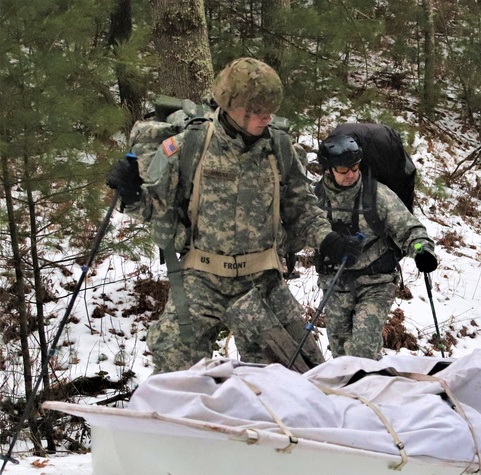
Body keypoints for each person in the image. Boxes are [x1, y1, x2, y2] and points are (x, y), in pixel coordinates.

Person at [105, 57, 362, 373]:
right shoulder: (190, 146)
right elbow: (154, 206)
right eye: (255, 112)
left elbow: (303, 209)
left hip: (263, 280)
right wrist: (129, 193)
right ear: (228, 106)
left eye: (269, 110)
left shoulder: (280, 149)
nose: (265, 118)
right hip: (201, 280)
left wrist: (329, 240)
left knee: (299, 375)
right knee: (173, 367)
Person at [314, 133, 436, 359]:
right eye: (343, 170)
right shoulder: (316, 199)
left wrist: (422, 251)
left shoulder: (377, 195)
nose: (351, 174)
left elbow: (410, 229)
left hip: (375, 283)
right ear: (328, 170)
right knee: (340, 357)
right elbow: (299, 229)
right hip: (334, 283)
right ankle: (348, 393)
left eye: (355, 167)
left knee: (363, 351)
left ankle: (369, 385)